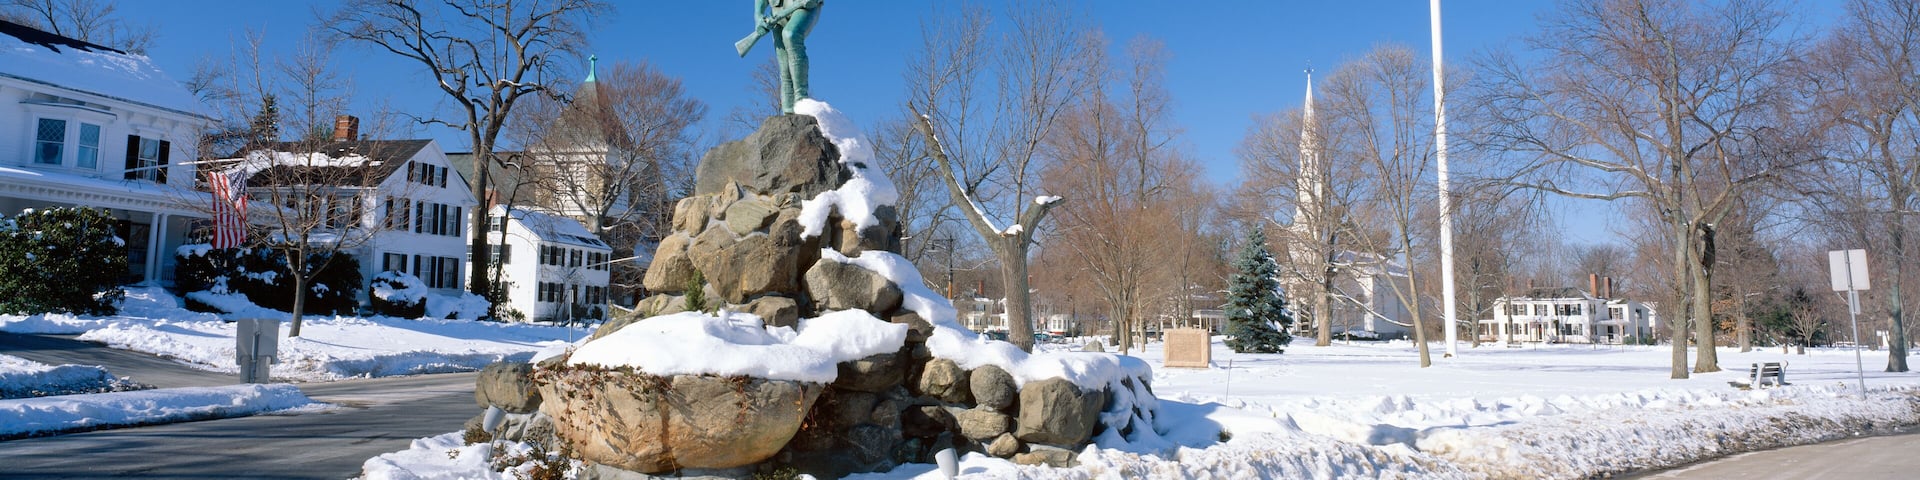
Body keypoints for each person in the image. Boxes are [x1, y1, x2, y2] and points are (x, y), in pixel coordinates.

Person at [750, 0, 823, 114]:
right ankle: (788, 110)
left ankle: (801, 99)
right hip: (778, 13)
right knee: (784, 63)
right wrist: (759, 17)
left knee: (790, 35)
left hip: (803, 5)